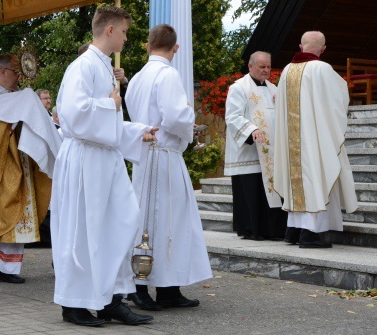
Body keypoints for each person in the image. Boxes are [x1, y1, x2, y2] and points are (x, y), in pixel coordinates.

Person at [51, 6, 158, 327]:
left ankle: (111, 299)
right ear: (110, 30)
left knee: (118, 225)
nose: (127, 38)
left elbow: (108, 124)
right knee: (84, 232)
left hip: (103, 160)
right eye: (124, 31)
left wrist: (137, 131)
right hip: (85, 162)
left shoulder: (104, 68)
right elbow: (72, 114)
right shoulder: (82, 66)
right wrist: (109, 103)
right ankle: (75, 304)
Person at [124, 24, 212, 311]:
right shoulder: (168, 74)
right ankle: (143, 287)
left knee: (149, 222)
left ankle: (165, 287)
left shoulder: (137, 77)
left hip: (144, 155)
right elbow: (175, 117)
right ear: (176, 48)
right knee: (168, 221)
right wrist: (190, 115)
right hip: (163, 155)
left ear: (149, 45)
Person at [0, 55, 61, 283]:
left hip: (18, 162)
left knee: (18, 213)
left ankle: (6, 267)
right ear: (3, 72)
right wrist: (11, 122)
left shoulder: (15, 96)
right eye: (16, 72)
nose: (19, 77)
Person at [274, 31, 358, 248]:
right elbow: (339, 98)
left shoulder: (286, 71)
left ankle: (293, 230)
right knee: (314, 179)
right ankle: (309, 234)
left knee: (298, 181)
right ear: (323, 49)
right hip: (313, 140)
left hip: (293, 142)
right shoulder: (322, 68)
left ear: (301, 47)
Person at [224, 51, 287, 241]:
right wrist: (251, 130)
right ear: (250, 66)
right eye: (262, 67)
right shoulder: (239, 88)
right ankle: (251, 229)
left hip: (271, 152)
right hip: (249, 152)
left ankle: (272, 230)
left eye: (268, 66)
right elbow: (233, 116)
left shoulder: (273, 88)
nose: (266, 70)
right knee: (253, 192)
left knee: (271, 191)